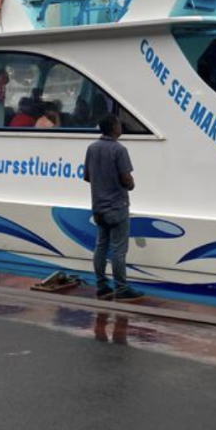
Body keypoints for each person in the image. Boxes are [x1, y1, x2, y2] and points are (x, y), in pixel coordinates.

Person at [83, 114, 141, 302]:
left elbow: (87, 177)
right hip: (117, 206)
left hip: (98, 206)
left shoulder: (91, 148)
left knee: (100, 246)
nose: (121, 126)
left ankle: (101, 286)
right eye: (118, 123)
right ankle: (122, 288)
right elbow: (126, 178)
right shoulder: (119, 149)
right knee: (118, 250)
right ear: (113, 128)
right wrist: (131, 184)